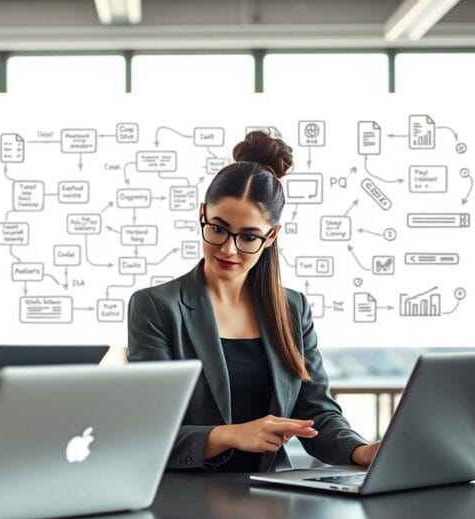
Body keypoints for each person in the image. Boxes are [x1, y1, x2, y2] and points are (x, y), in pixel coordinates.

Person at [127, 131, 380, 473]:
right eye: (217, 229)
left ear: (272, 235)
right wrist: (231, 435)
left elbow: (316, 413)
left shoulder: (292, 309)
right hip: (186, 501)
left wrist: (360, 451)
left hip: (273, 499)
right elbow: (147, 432)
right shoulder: (156, 308)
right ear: (202, 214)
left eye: (248, 236)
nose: (228, 249)